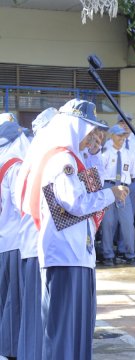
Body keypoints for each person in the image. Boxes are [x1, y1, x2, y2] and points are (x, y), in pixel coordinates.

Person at [18, 99, 127, 359]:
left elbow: (91, 184)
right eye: (89, 129)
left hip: (77, 254)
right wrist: (111, 194)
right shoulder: (62, 159)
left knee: (77, 330)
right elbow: (75, 203)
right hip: (66, 255)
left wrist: (97, 159)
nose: (93, 136)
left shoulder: (73, 158)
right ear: (74, 127)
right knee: (64, 331)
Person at [15, 108, 56, 360]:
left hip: (31, 245)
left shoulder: (32, 155)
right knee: (40, 316)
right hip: (40, 246)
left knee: (33, 316)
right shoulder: (48, 158)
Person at [0, 121, 29, 359]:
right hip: (14, 241)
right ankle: (10, 349)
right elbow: (22, 205)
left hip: (3, 239)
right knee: (14, 301)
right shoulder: (15, 166)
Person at [100, 125, 135, 266]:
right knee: (108, 223)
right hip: (109, 187)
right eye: (118, 136)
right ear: (112, 136)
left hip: (123, 188)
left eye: (123, 136)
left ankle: (131, 254)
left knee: (128, 223)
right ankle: (108, 254)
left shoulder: (128, 154)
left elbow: (131, 174)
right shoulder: (105, 152)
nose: (122, 138)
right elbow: (100, 174)